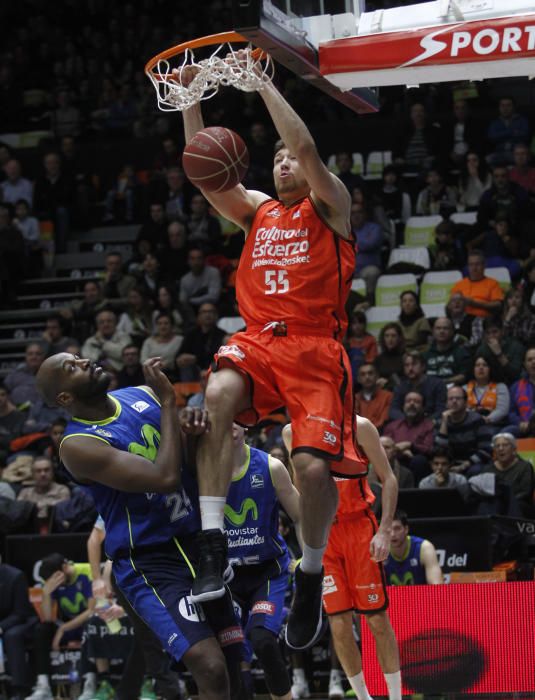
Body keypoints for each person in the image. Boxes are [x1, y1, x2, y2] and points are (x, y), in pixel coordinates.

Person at [179, 57, 364, 652]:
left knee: (311, 470)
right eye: (277, 158)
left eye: (290, 158)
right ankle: (212, 552)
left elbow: (306, 147)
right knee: (214, 398)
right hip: (259, 338)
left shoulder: (331, 205)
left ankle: (309, 575)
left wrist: (261, 83)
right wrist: (191, 101)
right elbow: (208, 173)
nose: (284, 160)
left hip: (314, 348)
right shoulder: (258, 209)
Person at [35, 353, 243, 699]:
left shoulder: (139, 395)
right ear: (64, 398)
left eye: (79, 358)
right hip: (150, 562)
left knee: (233, 664)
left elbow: (185, 467)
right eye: (72, 367)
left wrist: (190, 432)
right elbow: (163, 478)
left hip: (197, 544)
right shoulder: (76, 445)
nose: (85, 361)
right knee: (208, 665)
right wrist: (168, 401)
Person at [283, 418, 402, 700]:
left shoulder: (360, 426)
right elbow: (302, 495)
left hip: (360, 528)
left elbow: (389, 478)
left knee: (376, 618)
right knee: (338, 621)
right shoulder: (292, 432)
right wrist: (307, 549)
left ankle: (396, 697)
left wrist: (384, 531)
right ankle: (363, 697)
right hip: (324, 534)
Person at [224, 423, 301, 700]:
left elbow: (300, 516)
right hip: (225, 576)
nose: (231, 423)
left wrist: (309, 561)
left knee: (263, 640)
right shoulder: (201, 468)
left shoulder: (270, 466)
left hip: (267, 571)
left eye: (237, 418)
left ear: (245, 426)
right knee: (229, 651)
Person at [87, 518, 189, 700]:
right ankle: (172, 692)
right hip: (129, 574)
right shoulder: (115, 499)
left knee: (148, 636)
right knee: (149, 637)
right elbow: (95, 540)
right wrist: (98, 580)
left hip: (165, 568)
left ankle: (128, 691)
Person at [26, 553, 95, 700]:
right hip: (67, 625)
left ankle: (90, 684)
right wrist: (45, 593)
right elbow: (48, 618)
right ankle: (43, 685)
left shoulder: (87, 571)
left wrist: (63, 629)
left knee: (92, 624)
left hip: (85, 622)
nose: (56, 583)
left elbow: (92, 610)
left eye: (57, 579)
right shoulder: (53, 580)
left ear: (64, 568)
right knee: (41, 629)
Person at [0, 562, 38, 700]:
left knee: (12, 636)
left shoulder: (15, 576)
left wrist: (1, 627)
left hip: (21, 621)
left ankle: (20, 689)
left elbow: (20, 613)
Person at [435, 386, 492, 476]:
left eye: (458, 398)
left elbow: (486, 450)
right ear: (446, 403)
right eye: (450, 399)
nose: (454, 401)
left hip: (472, 464)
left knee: (475, 471)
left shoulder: (476, 420)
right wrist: (444, 422)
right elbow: (439, 450)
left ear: (465, 402)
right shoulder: (441, 422)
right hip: (449, 464)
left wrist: (464, 465)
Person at [383, 392, 434, 481]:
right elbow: (384, 446)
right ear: (403, 406)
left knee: (419, 461)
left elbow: (429, 449)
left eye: (416, 402)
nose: (411, 404)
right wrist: (400, 451)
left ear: (423, 407)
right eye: (408, 401)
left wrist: (410, 445)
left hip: (417, 464)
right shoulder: (392, 426)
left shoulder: (428, 426)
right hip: (395, 460)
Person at [384, 510, 444, 585]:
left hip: (422, 596)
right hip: (392, 596)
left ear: (406, 529)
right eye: (389, 529)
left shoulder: (424, 548)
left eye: (397, 528)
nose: (392, 534)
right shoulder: (380, 550)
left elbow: (437, 586)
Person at [483, 433, 535, 518]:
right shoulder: (487, 469)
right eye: (497, 446)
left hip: (518, 504)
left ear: (513, 449)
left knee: (517, 505)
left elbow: (526, 493)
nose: (501, 448)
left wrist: (506, 501)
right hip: (494, 504)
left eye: (505, 445)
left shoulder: (525, 467)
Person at [389, 351, 447, 424]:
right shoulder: (401, 386)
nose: (410, 368)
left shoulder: (437, 384)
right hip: (407, 424)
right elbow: (393, 410)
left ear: (423, 366)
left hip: (430, 425)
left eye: (414, 364)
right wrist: (408, 421)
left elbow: (441, 410)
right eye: (407, 365)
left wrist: (423, 424)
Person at [175, 303, 226, 382]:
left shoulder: (222, 335)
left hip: (214, 370)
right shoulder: (191, 334)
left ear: (216, 315)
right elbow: (179, 355)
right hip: (194, 371)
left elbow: (220, 357)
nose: (207, 315)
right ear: (198, 316)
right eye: (204, 312)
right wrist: (181, 359)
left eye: (211, 312)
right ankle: (188, 393)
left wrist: (196, 358)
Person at [449, 249, 504, 318]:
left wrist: (475, 304)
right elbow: (450, 305)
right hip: (462, 319)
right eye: (471, 265)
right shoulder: (459, 285)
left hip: (483, 320)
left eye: (477, 264)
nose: (474, 268)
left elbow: (498, 305)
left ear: (484, 265)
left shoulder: (493, 283)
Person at [17, 456, 70, 523]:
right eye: (38, 471)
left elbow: (61, 512)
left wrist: (33, 508)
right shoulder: (25, 493)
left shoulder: (62, 490)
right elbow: (18, 514)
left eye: (46, 470)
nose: (43, 474)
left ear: (53, 472)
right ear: (32, 474)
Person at [474, 316, 525, 385]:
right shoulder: (482, 350)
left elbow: (515, 375)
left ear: (502, 331)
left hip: (513, 385)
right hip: (489, 387)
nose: (491, 336)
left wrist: (499, 354)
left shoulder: (516, 347)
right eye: (487, 333)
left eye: (495, 332)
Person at [423, 317, 472, 385]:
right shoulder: (425, 355)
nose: (441, 331)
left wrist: (442, 382)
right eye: (438, 328)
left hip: (454, 390)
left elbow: (463, 376)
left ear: (452, 331)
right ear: (433, 331)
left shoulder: (462, 353)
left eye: (445, 328)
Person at [464, 355, 510, 428]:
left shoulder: (500, 387)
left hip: (494, 424)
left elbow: (502, 410)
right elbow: (462, 409)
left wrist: (486, 420)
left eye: (485, 365)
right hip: (469, 425)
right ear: (473, 369)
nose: (481, 368)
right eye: (477, 365)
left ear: (490, 369)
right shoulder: (464, 388)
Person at [141, 312, 183, 377]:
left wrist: (162, 366)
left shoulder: (179, 340)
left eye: (166, 323)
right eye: (159, 324)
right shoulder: (148, 341)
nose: (163, 326)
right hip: (150, 373)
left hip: (172, 373)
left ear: (172, 325)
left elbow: (174, 359)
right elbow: (143, 359)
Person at [4, 342, 46, 408]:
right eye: (30, 354)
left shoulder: (50, 376)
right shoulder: (15, 375)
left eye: (38, 354)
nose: (34, 357)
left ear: (43, 357)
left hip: (43, 415)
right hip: (17, 413)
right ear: (26, 357)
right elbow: (3, 392)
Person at [354, 363, 392, 432]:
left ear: (377, 376)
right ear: (358, 379)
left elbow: (383, 420)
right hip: (359, 436)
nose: (367, 377)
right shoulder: (355, 398)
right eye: (363, 374)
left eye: (370, 373)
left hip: (380, 434)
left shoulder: (387, 396)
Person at [508, 347, 535, 437]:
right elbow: (511, 412)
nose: (533, 362)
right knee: (506, 433)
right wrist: (520, 423)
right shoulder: (516, 387)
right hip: (524, 426)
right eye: (529, 360)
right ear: (525, 364)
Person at [374, 323, 405, 389]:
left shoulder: (405, 358)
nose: (390, 339)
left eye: (393, 336)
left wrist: (388, 383)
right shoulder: (378, 359)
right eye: (387, 336)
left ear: (399, 338)